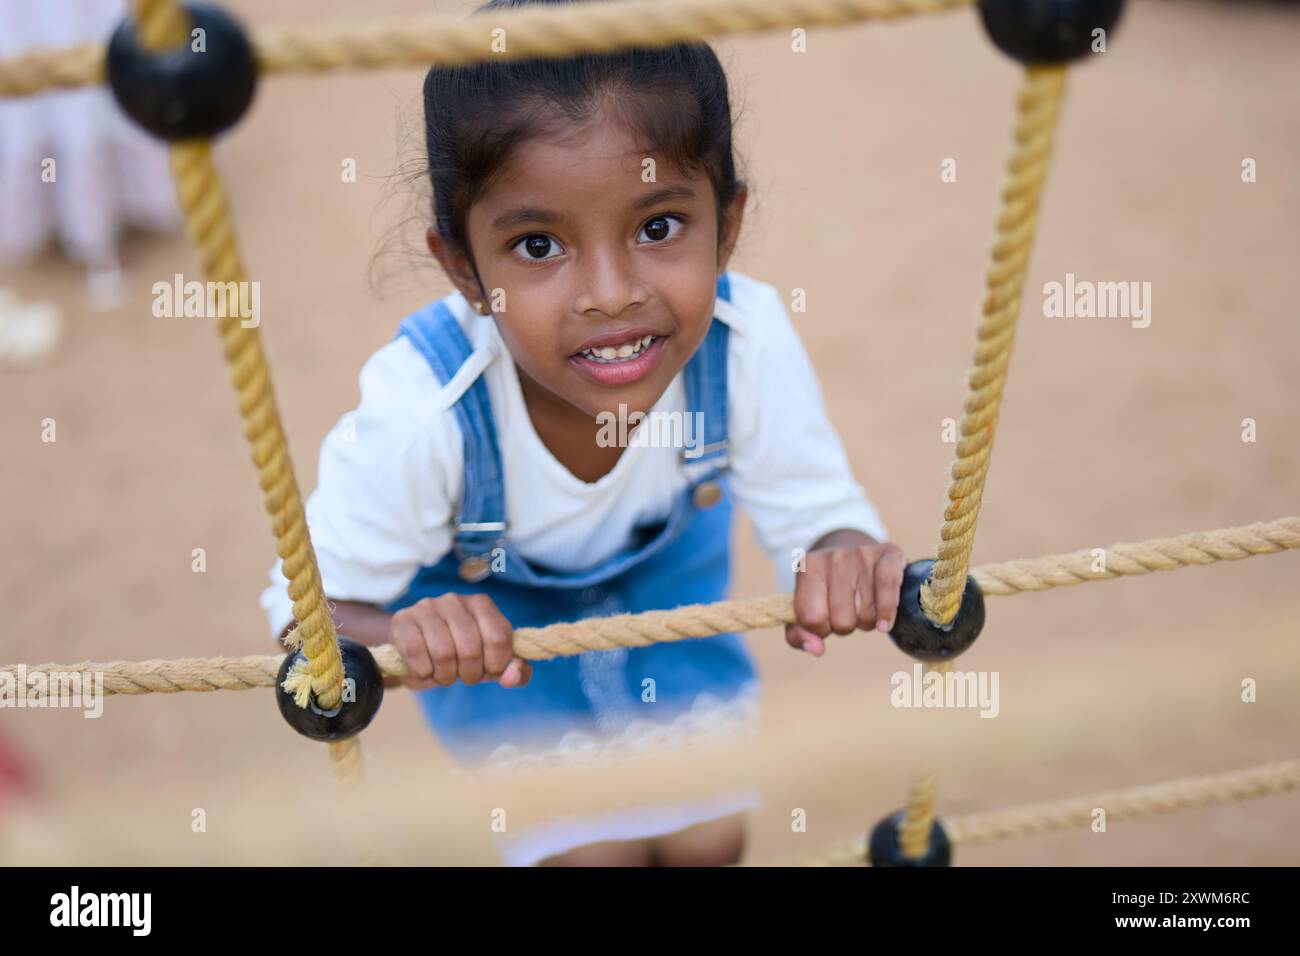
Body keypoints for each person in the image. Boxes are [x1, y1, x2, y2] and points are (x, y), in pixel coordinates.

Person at [261, 0, 908, 866]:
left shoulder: (744, 345)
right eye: (536, 246)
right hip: (506, 674)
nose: (609, 293)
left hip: (668, 635)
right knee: (590, 861)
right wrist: (404, 636)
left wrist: (842, 555)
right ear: (463, 269)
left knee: (711, 844)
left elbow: (819, 515)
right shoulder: (426, 411)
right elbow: (303, 617)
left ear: (730, 227)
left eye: (657, 227)